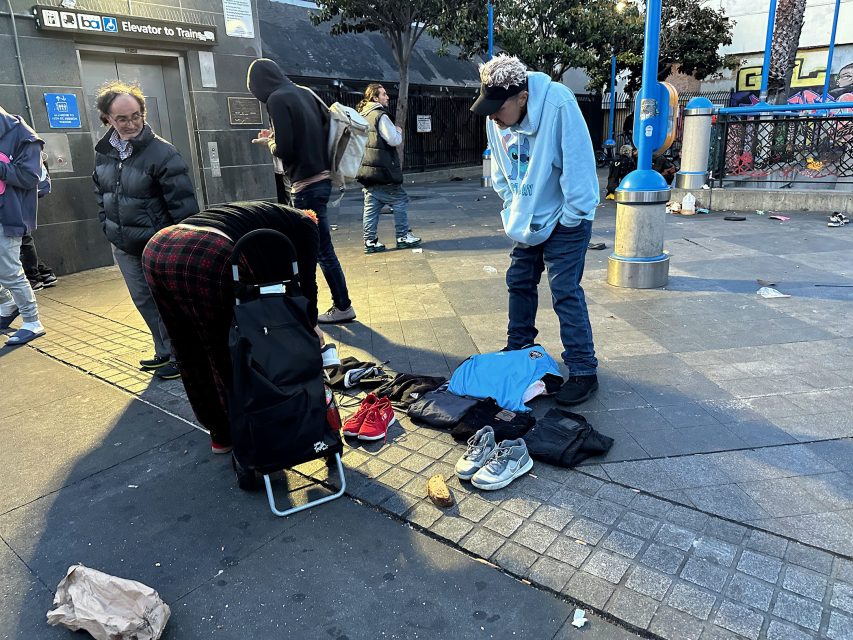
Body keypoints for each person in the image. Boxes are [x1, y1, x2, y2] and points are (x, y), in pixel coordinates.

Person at [141, 201, 322, 454]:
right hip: (208, 253)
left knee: (187, 346)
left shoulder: (259, 213)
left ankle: (220, 434)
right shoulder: (307, 226)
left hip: (159, 247)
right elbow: (305, 283)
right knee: (228, 350)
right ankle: (249, 434)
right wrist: (310, 324)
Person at [471, 54, 599, 406]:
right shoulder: (495, 119)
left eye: (499, 108)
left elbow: (579, 167)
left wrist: (572, 217)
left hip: (565, 216)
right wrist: (512, 206)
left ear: (523, 98)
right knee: (519, 282)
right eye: (489, 108)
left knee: (565, 292)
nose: (493, 118)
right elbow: (500, 168)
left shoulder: (558, 103)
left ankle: (584, 369)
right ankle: (518, 350)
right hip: (526, 216)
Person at [93, 81, 199, 380]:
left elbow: (184, 207)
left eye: (136, 115)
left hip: (159, 245)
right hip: (124, 244)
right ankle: (164, 351)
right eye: (122, 119)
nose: (131, 123)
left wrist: (184, 246)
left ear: (143, 112)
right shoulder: (104, 152)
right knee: (143, 300)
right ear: (107, 120)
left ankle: (182, 357)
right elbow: (101, 194)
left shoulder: (163, 153)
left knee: (170, 303)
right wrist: (108, 228)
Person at [247, 58, 356, 324]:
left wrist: (269, 142)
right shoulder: (304, 92)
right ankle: (328, 305)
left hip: (305, 184)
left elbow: (285, 149)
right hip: (323, 178)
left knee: (317, 250)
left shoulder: (276, 99)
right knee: (317, 247)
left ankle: (338, 306)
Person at [356, 83, 421, 253]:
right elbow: (393, 140)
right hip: (383, 169)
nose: (387, 97)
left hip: (366, 169)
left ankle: (369, 241)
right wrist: (398, 130)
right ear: (375, 98)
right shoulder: (380, 116)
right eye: (383, 94)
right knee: (399, 200)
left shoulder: (362, 115)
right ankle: (403, 236)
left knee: (371, 205)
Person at [0, 105, 46, 346]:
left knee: (9, 271)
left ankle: (32, 321)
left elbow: (30, 177)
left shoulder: (23, 136)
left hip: (9, 215)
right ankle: (8, 304)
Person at [20, 152, 58, 291]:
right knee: (21, 238)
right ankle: (44, 273)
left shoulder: (14, 138)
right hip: (22, 193)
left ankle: (33, 278)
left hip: (19, 194)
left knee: (23, 238)